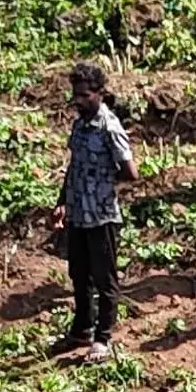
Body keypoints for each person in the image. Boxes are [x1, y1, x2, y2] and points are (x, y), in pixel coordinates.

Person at [54, 64, 135, 356]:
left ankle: (103, 337)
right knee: (79, 273)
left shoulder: (109, 126)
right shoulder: (79, 124)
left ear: (100, 94)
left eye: (85, 95)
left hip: (101, 215)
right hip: (77, 213)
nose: (79, 100)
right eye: (76, 95)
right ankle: (81, 330)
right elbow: (74, 165)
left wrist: (102, 182)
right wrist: (63, 200)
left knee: (105, 277)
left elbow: (130, 171)